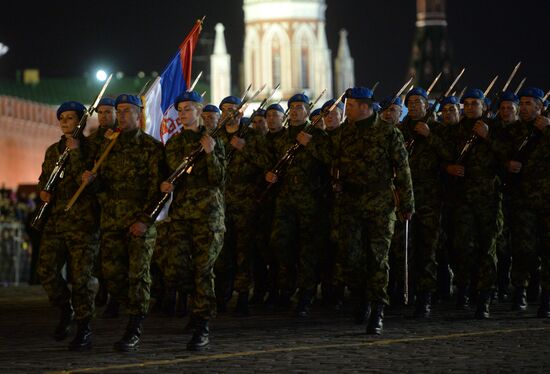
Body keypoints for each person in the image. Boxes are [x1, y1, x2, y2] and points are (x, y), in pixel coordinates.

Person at [300, 87, 414, 334]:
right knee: (351, 258)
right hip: (350, 203)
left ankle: (377, 309)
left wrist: (406, 204)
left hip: (380, 203)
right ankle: (361, 297)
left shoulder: (387, 132)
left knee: (377, 258)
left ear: (364, 107)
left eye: (349, 106)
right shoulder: (343, 133)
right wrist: (310, 143)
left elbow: (403, 170)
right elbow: (330, 156)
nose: (346, 110)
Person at [82, 94, 166, 351]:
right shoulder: (109, 147)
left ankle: (134, 326)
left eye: (128, 110)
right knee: (112, 274)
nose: (123, 115)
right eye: (120, 111)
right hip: (112, 220)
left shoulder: (151, 148)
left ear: (139, 114)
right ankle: (133, 308)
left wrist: (144, 221)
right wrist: (92, 182)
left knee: (137, 274)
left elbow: (159, 191)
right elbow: (100, 185)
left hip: (140, 221)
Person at [158, 91, 226, 350]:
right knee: (175, 268)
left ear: (199, 111)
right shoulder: (174, 144)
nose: (184, 113)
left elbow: (219, 179)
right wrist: (164, 184)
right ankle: (198, 308)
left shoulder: (212, 141)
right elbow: (169, 176)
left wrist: (209, 154)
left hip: (208, 215)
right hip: (182, 214)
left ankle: (202, 323)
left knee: (203, 269)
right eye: (181, 109)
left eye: (189, 108)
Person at [37, 101, 99, 351]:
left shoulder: (92, 150)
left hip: (83, 223)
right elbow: (44, 177)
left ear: (80, 122)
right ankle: (66, 308)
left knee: (81, 278)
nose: (64, 121)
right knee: (46, 271)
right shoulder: (53, 150)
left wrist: (75, 153)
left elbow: (88, 185)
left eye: (70, 117)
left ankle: (84, 327)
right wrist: (43, 190)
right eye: (61, 117)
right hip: (56, 221)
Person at [443, 88, 506, 319]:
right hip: (462, 199)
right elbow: (442, 156)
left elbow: (509, 158)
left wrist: (488, 137)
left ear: (484, 106)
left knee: (487, 249)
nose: (470, 107)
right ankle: (464, 288)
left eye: (474, 104)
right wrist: (447, 167)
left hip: (487, 198)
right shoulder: (455, 130)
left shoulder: (496, 128)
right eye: (466, 104)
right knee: (463, 247)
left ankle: (484, 297)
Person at [266, 93, 328, 318]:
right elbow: (269, 161)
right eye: (291, 107)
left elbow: (331, 159)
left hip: (310, 201)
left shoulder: (318, 135)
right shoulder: (281, 137)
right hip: (285, 200)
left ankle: (306, 294)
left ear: (308, 110)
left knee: (307, 249)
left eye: (299, 107)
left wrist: (310, 145)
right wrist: (270, 174)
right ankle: (286, 288)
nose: (294, 111)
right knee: (281, 245)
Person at [396, 87, 451, 317]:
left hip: (429, 197)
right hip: (404, 197)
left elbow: (451, 156)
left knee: (427, 247)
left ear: (427, 106)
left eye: (419, 102)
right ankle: (403, 291)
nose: (415, 106)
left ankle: (425, 296)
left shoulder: (437, 130)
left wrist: (430, 136)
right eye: (411, 102)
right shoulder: (399, 130)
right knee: (404, 248)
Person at [216, 96, 271, 316]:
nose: (229, 113)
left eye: (233, 109)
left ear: (240, 112)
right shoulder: (215, 136)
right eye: (225, 109)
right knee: (222, 251)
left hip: (246, 201)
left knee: (243, 251)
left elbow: (268, 165)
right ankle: (221, 295)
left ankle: (243, 296)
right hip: (220, 201)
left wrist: (244, 148)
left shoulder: (254, 136)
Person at [503, 87, 550, 317]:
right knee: (523, 248)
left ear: (540, 107)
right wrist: (506, 164)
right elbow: (497, 153)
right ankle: (520, 289)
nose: (523, 107)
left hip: (546, 200)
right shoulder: (514, 131)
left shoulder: (546, 130)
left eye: (529, 103)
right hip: (522, 200)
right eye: (521, 103)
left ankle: (546, 298)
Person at [87, 96, 119, 317]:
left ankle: (114, 295)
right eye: (101, 113)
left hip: (116, 204)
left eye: (108, 112)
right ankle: (103, 287)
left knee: (114, 253)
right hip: (95, 203)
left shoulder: (121, 137)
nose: (104, 116)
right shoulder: (92, 139)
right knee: (99, 252)